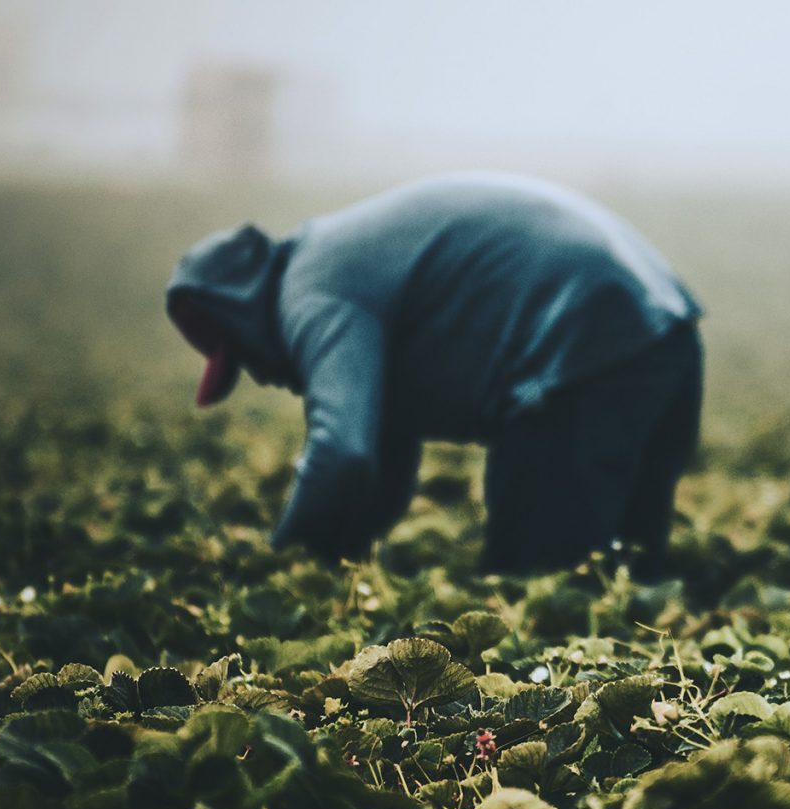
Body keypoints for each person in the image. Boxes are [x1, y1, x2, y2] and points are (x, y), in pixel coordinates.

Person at [164, 172, 703, 577]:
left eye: (246, 359)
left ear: (245, 313)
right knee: (629, 572)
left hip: (587, 354)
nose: (261, 376)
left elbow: (343, 452)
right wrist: (334, 557)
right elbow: (381, 465)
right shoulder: (339, 258)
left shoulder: (312, 290)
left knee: (535, 582)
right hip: (665, 331)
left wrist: (279, 565)